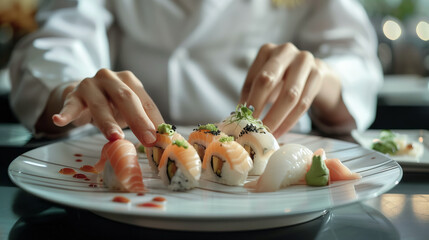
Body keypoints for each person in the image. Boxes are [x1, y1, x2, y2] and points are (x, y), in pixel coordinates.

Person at [9, 0, 383, 147]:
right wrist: (73, 90)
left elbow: (356, 60)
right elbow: (55, 43)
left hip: (281, 166)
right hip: (137, 154)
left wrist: (324, 79)